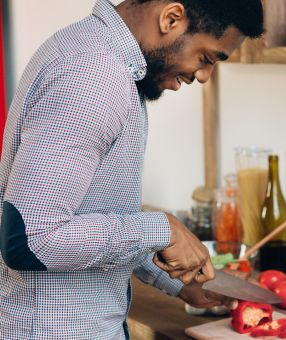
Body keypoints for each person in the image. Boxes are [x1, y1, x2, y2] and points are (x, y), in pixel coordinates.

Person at [0, 0, 263, 338]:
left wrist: (175, 282)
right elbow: (32, 239)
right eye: (206, 58)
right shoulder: (93, 75)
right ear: (171, 18)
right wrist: (160, 229)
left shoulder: (100, 56)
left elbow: (93, 213)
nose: (203, 76)